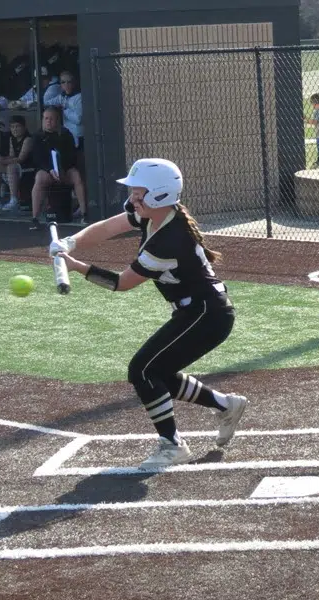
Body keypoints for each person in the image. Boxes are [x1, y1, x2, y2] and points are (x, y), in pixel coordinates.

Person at [49, 158, 248, 469]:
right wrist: (70, 242)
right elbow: (109, 227)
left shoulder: (168, 241)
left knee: (142, 370)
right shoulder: (153, 215)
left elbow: (120, 283)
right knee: (159, 372)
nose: (132, 199)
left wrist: (76, 267)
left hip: (207, 315)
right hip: (197, 311)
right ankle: (225, 405)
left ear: (158, 195)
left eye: (138, 192)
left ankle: (172, 445)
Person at [30, 106, 87, 228]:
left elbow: (71, 156)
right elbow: (37, 159)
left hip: (65, 170)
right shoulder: (37, 136)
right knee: (39, 178)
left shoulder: (66, 134)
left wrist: (62, 169)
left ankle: (84, 213)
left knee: (76, 176)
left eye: (51, 119)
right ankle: (35, 218)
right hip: (48, 171)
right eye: (46, 118)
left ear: (57, 120)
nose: (48, 121)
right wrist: (50, 170)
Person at [0, 115, 33, 212]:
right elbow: (12, 156)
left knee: (10, 167)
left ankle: (14, 200)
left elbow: (21, 159)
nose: (15, 129)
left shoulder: (28, 139)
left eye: (17, 126)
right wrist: (0, 159)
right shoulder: (11, 139)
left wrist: (4, 161)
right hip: (16, 165)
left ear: (24, 127)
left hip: (28, 168)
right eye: (12, 127)